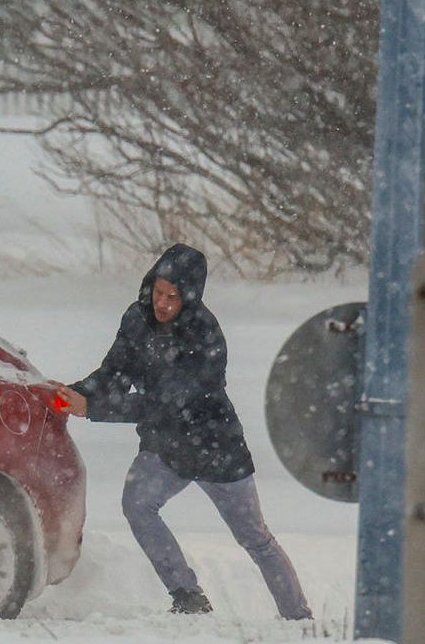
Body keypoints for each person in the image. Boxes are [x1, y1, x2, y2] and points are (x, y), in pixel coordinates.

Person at [55, 244, 312, 620]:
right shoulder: (137, 319)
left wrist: (92, 408)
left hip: (215, 448)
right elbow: (115, 373)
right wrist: (73, 394)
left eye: (172, 297)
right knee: (137, 505)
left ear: (189, 298)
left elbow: (164, 404)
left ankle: (298, 617)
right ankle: (188, 596)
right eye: (159, 292)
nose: (162, 303)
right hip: (166, 447)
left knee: (254, 537)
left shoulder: (205, 337)